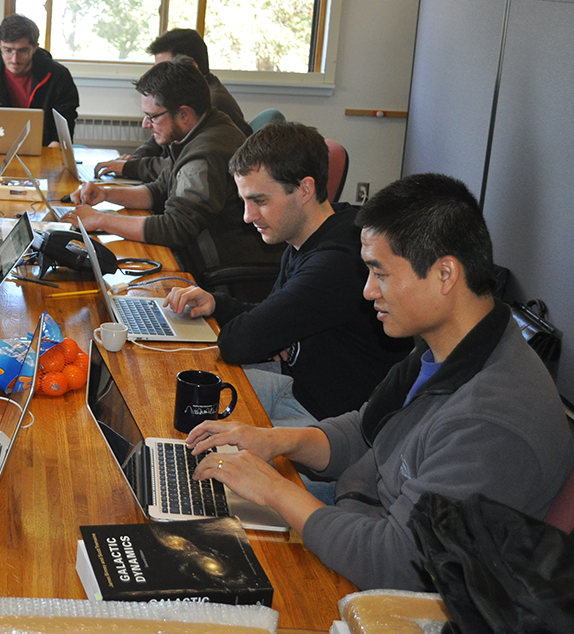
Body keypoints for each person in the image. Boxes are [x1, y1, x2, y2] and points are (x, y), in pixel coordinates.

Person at [186, 173, 574, 591]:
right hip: (361, 514)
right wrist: (276, 441)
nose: (368, 291)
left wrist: (275, 492)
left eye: (380, 273)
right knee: (198, 514)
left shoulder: (492, 420)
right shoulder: (446, 347)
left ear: (445, 274)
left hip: (384, 585)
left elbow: (399, 563)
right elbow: (368, 427)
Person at [165, 122, 410, 425]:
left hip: (328, 419)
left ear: (304, 190)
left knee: (199, 433)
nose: (247, 216)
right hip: (295, 384)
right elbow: (270, 318)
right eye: (244, 201)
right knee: (172, 392)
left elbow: (239, 342)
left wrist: (270, 334)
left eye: (259, 201)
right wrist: (217, 304)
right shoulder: (307, 235)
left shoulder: (336, 263)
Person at [63, 57, 279, 285]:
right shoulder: (203, 130)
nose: (146, 125)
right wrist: (106, 194)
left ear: (184, 114)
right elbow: (159, 191)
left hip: (220, 270)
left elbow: (175, 228)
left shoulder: (206, 154)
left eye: (153, 117)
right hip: (199, 256)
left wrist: (100, 220)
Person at [95, 28, 249, 182]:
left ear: (189, 66)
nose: (158, 75)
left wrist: (129, 167)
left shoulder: (213, 103)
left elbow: (182, 166)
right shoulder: (187, 95)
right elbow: (158, 143)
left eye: (165, 68)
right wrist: (134, 160)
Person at [0, 13, 79, 146]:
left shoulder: (57, 75)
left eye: (23, 51)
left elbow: (65, 122)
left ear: (35, 48)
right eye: (8, 50)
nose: (14, 59)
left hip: (43, 150)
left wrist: (53, 154)